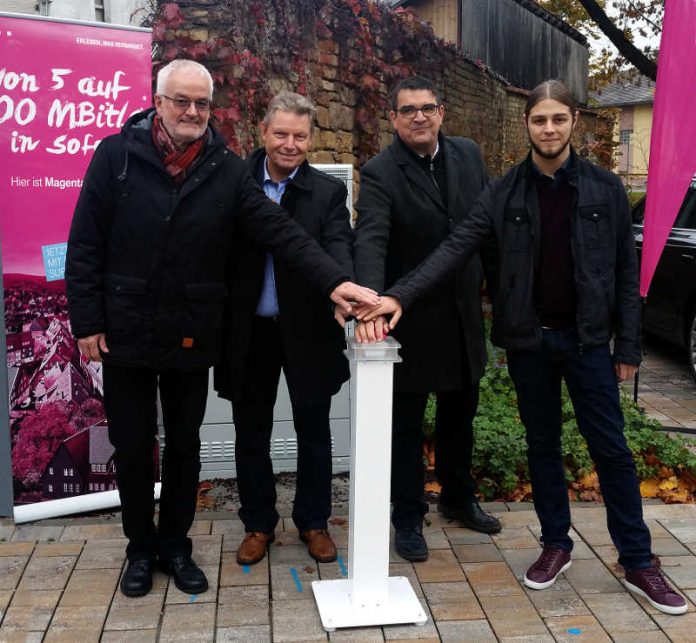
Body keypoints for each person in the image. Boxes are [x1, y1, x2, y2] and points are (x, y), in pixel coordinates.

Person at [358, 80, 687, 615]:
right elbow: (456, 247)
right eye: (540, 120)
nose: (549, 129)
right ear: (528, 125)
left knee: (612, 450)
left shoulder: (605, 188)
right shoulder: (504, 191)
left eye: (558, 119)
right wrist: (397, 296)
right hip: (531, 343)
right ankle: (555, 543)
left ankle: (638, 560)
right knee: (542, 446)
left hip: (587, 344)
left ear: (574, 120)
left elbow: (626, 275)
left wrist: (628, 344)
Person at [65, 60, 378, 598]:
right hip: (126, 329)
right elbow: (86, 242)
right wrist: (88, 320)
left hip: (190, 330)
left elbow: (281, 230)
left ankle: (176, 546)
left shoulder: (225, 168)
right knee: (134, 444)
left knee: (185, 445)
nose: (192, 112)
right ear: (158, 101)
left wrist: (335, 284)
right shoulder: (115, 157)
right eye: (181, 101)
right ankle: (141, 547)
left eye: (202, 104)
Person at [352, 75, 501, 563]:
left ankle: (459, 499)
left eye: (428, 107)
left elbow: (485, 233)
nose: (419, 116)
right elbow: (371, 237)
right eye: (408, 109)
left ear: (442, 113)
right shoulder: (380, 171)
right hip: (410, 319)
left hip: (462, 317)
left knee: (461, 419)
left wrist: (501, 298)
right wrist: (372, 303)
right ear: (393, 118)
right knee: (406, 427)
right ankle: (409, 516)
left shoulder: (468, 155)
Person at [214, 92, 352, 565]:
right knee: (250, 431)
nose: (290, 144)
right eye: (281, 134)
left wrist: (346, 289)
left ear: (310, 138)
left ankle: (314, 522)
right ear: (263, 133)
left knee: (314, 430)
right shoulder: (233, 183)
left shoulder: (328, 193)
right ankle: (258, 524)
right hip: (249, 332)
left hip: (309, 330)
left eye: (300, 135)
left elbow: (339, 247)